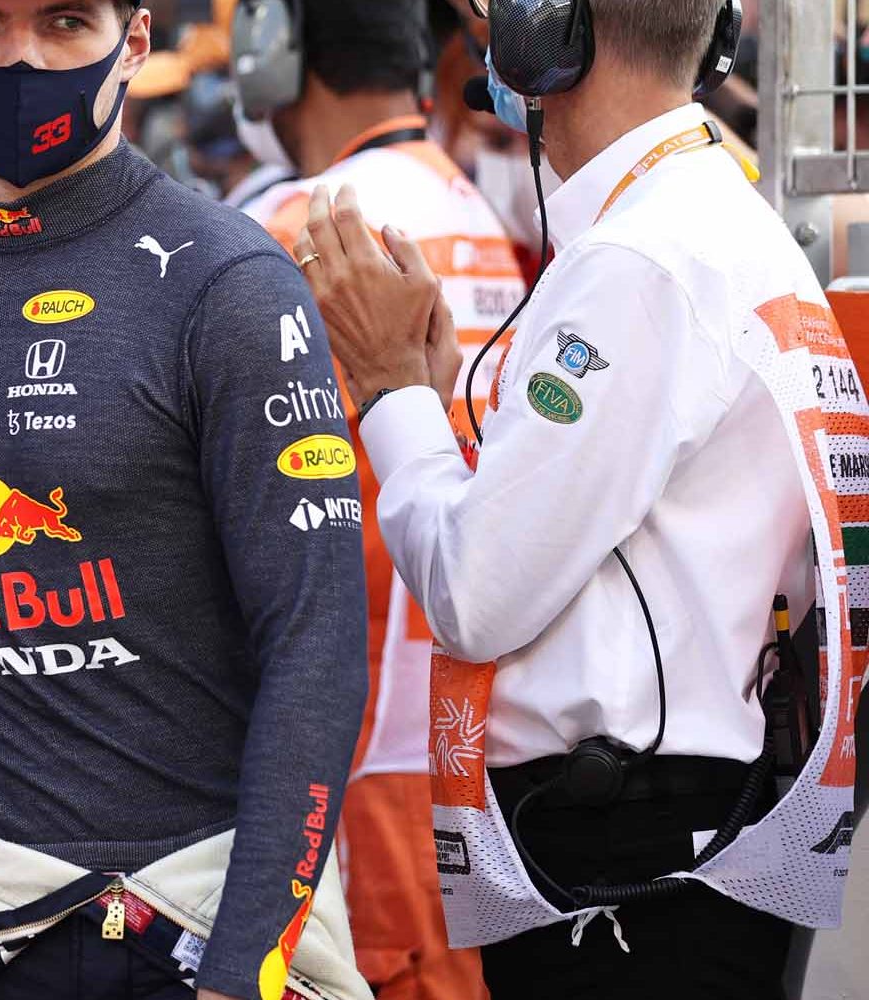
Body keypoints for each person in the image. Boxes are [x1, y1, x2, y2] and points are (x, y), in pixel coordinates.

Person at [0, 1, 373, 998]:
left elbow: (315, 645)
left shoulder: (233, 281)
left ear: (136, 41)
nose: (22, 55)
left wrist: (247, 970)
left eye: (66, 20)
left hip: (193, 917)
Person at [297, 0, 862, 997]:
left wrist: (388, 391)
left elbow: (476, 592)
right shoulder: (699, 225)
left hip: (629, 872)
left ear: (546, 34)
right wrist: (430, 400)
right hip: (669, 848)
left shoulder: (642, 259)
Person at [230, 2, 524, 997]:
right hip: (466, 743)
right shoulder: (476, 206)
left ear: (273, 53)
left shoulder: (295, 228)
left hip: (337, 763)